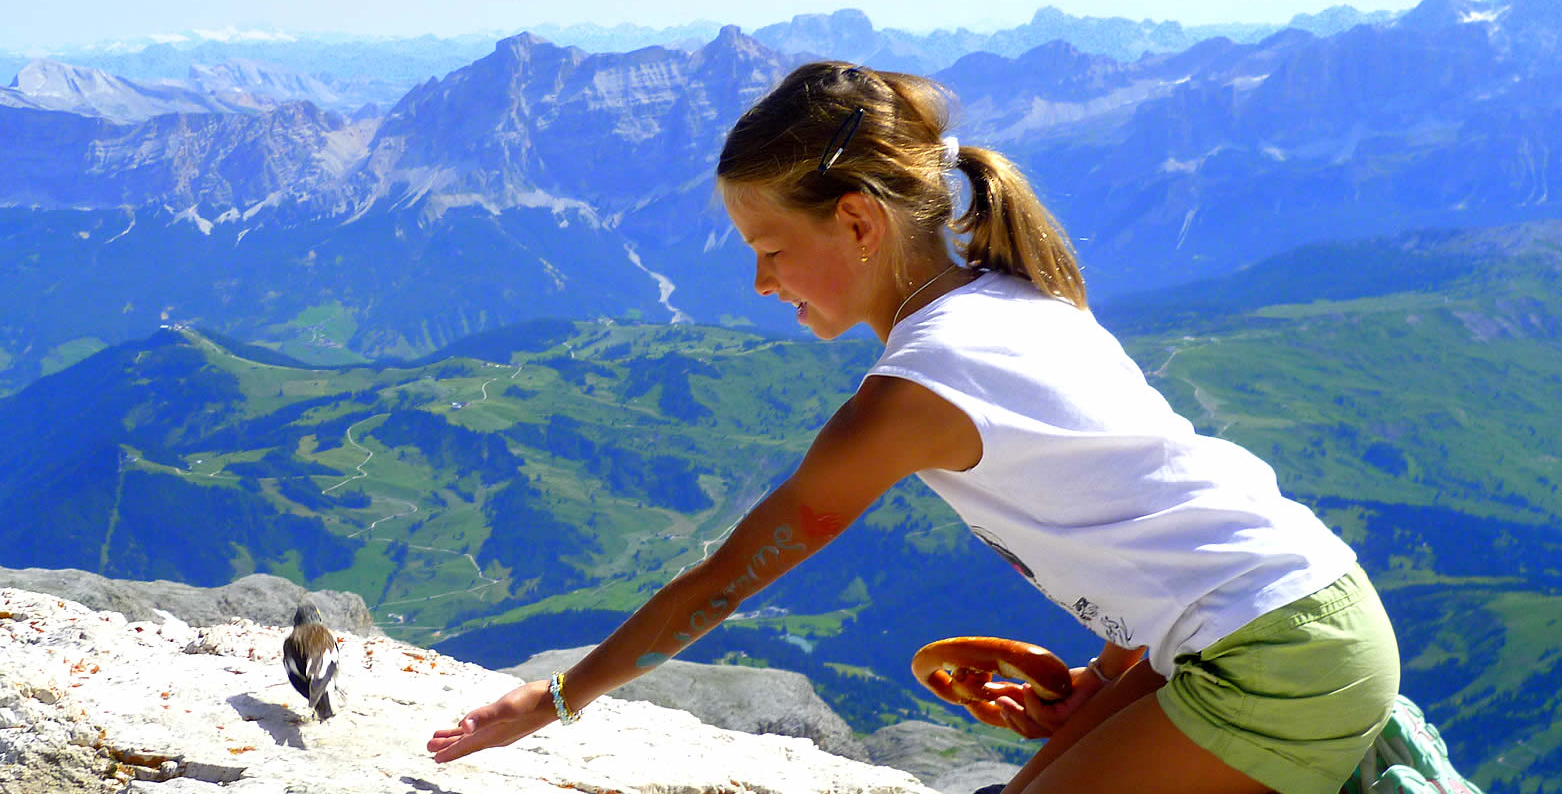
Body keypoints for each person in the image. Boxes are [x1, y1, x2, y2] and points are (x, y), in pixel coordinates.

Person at [426, 61, 1400, 794]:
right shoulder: (1016, 288)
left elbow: (722, 580)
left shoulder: (907, 395)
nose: (759, 282)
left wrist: (555, 697)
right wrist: (1096, 672)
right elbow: (1149, 495)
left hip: (1276, 649)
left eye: (768, 249)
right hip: (1290, 607)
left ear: (855, 223)